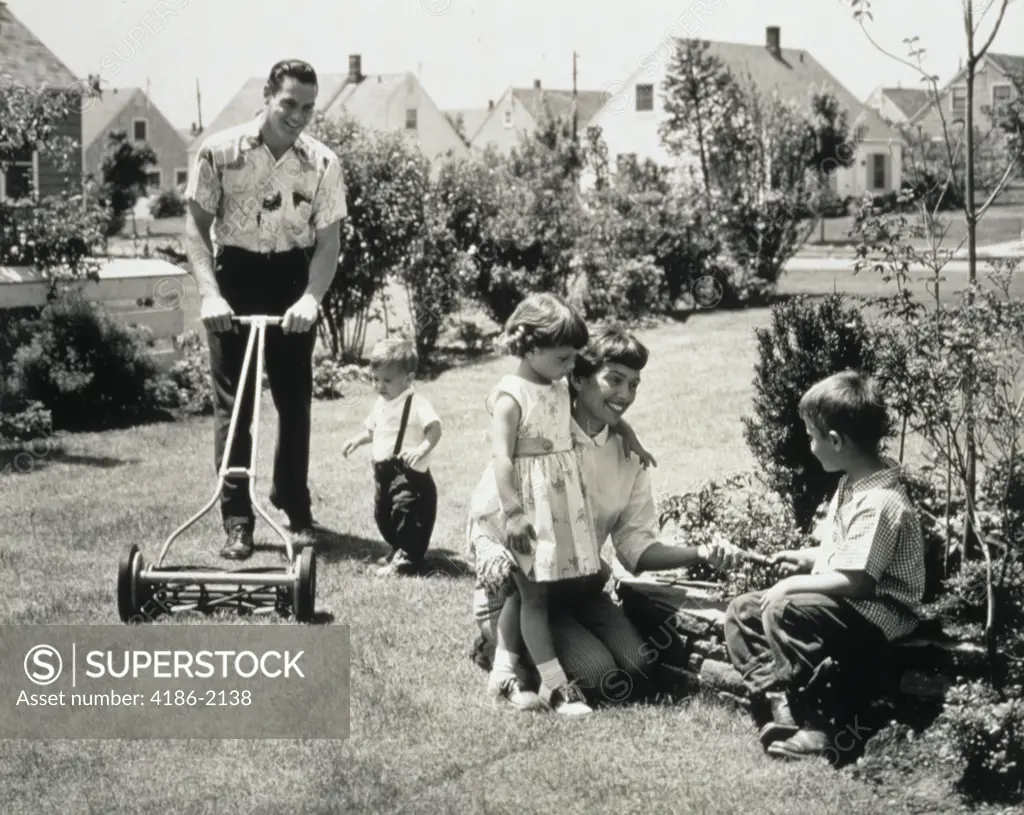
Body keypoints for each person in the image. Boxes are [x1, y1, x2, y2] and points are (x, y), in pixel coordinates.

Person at [471, 326, 739, 712]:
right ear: (577, 378)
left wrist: (701, 553)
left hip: (579, 586)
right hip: (523, 590)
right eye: (614, 380)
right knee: (596, 675)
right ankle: (500, 647)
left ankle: (538, 648)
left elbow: (637, 550)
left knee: (636, 665)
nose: (625, 396)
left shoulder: (629, 457)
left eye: (633, 385)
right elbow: (492, 509)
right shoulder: (541, 438)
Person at [184, 59, 348, 561]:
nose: (298, 115)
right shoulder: (220, 151)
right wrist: (211, 294)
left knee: (295, 401)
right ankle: (237, 520)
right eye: (289, 104)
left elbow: (328, 242)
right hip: (234, 276)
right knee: (235, 406)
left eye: (308, 107)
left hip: (291, 280)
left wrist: (309, 299)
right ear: (268, 97)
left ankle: (294, 507)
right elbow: (194, 227)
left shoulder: (322, 163)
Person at [723, 370, 926, 760]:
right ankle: (780, 701)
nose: (810, 445)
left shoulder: (880, 501)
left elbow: (858, 581)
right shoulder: (853, 482)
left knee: (785, 607)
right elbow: (850, 553)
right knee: (742, 610)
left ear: (835, 441)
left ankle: (818, 723)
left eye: (812, 437)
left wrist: (792, 584)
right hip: (851, 601)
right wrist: (808, 557)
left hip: (880, 614)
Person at [341, 338, 442, 576]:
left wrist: (421, 450)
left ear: (408, 379)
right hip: (383, 473)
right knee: (383, 513)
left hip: (409, 474)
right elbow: (372, 430)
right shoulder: (381, 403)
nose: (379, 386)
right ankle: (397, 548)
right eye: (375, 379)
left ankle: (409, 558)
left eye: (387, 381)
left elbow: (435, 429)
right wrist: (357, 439)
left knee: (406, 513)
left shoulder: (417, 403)